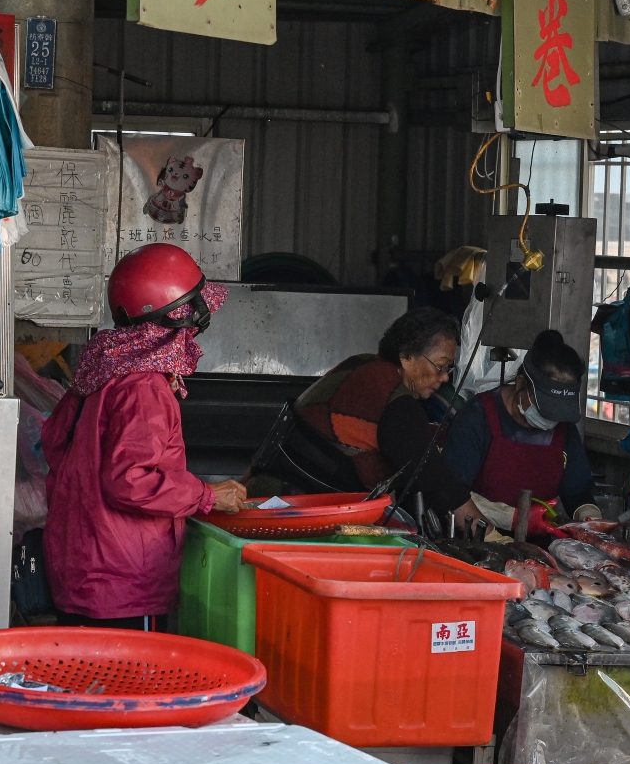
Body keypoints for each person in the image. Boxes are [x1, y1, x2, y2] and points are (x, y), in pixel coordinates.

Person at [41, 244, 246, 627]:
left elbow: (54, 448)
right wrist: (206, 495)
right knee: (125, 683)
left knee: (84, 680)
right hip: (123, 580)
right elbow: (130, 482)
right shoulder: (144, 387)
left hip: (80, 563)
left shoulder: (100, 371)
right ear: (177, 316)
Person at [289, 307, 479, 529]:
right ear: (407, 356)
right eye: (440, 366)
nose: (445, 377)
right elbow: (434, 481)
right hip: (295, 508)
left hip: (285, 496)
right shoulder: (394, 399)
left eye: (448, 368)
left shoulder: (360, 363)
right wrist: (490, 533)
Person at [441, 330, 601, 525]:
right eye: (546, 411)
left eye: (558, 414)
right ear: (521, 384)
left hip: (540, 545)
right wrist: (514, 519)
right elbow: (450, 493)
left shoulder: (564, 429)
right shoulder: (477, 417)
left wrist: (589, 517)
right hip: (477, 538)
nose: (551, 422)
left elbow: (576, 492)